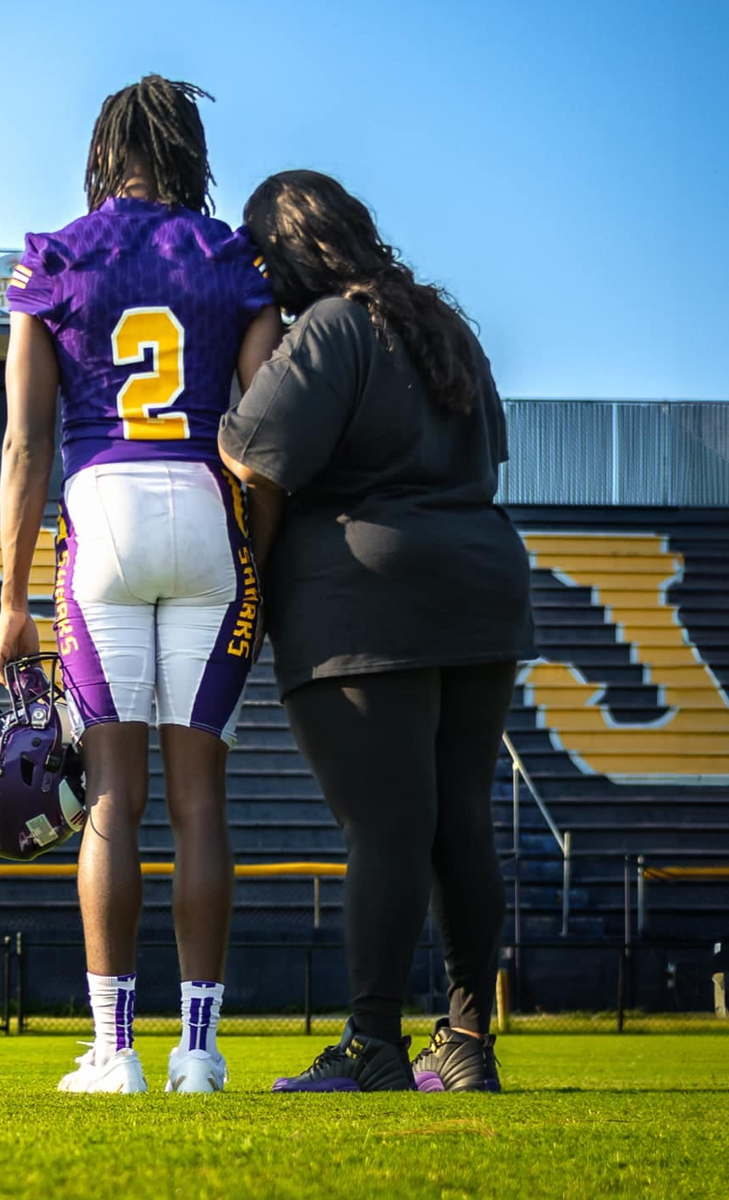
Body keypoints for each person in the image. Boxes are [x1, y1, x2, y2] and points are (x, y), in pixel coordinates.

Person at [218, 170, 536, 1093]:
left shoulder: (326, 327)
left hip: (363, 591)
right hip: (480, 578)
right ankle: (467, 1043)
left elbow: (249, 457)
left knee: (385, 828)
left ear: (282, 254)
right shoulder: (445, 325)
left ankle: (372, 1046)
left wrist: (253, 593)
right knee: (460, 823)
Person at [0, 75, 284, 1095]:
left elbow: (28, 441)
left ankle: (113, 1050)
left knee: (115, 799)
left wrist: (12, 596)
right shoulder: (230, 258)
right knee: (202, 805)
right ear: (188, 148)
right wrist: (256, 551)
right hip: (207, 504)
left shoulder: (58, 256)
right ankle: (199, 1055)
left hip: (103, 506)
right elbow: (265, 425)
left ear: (104, 148)